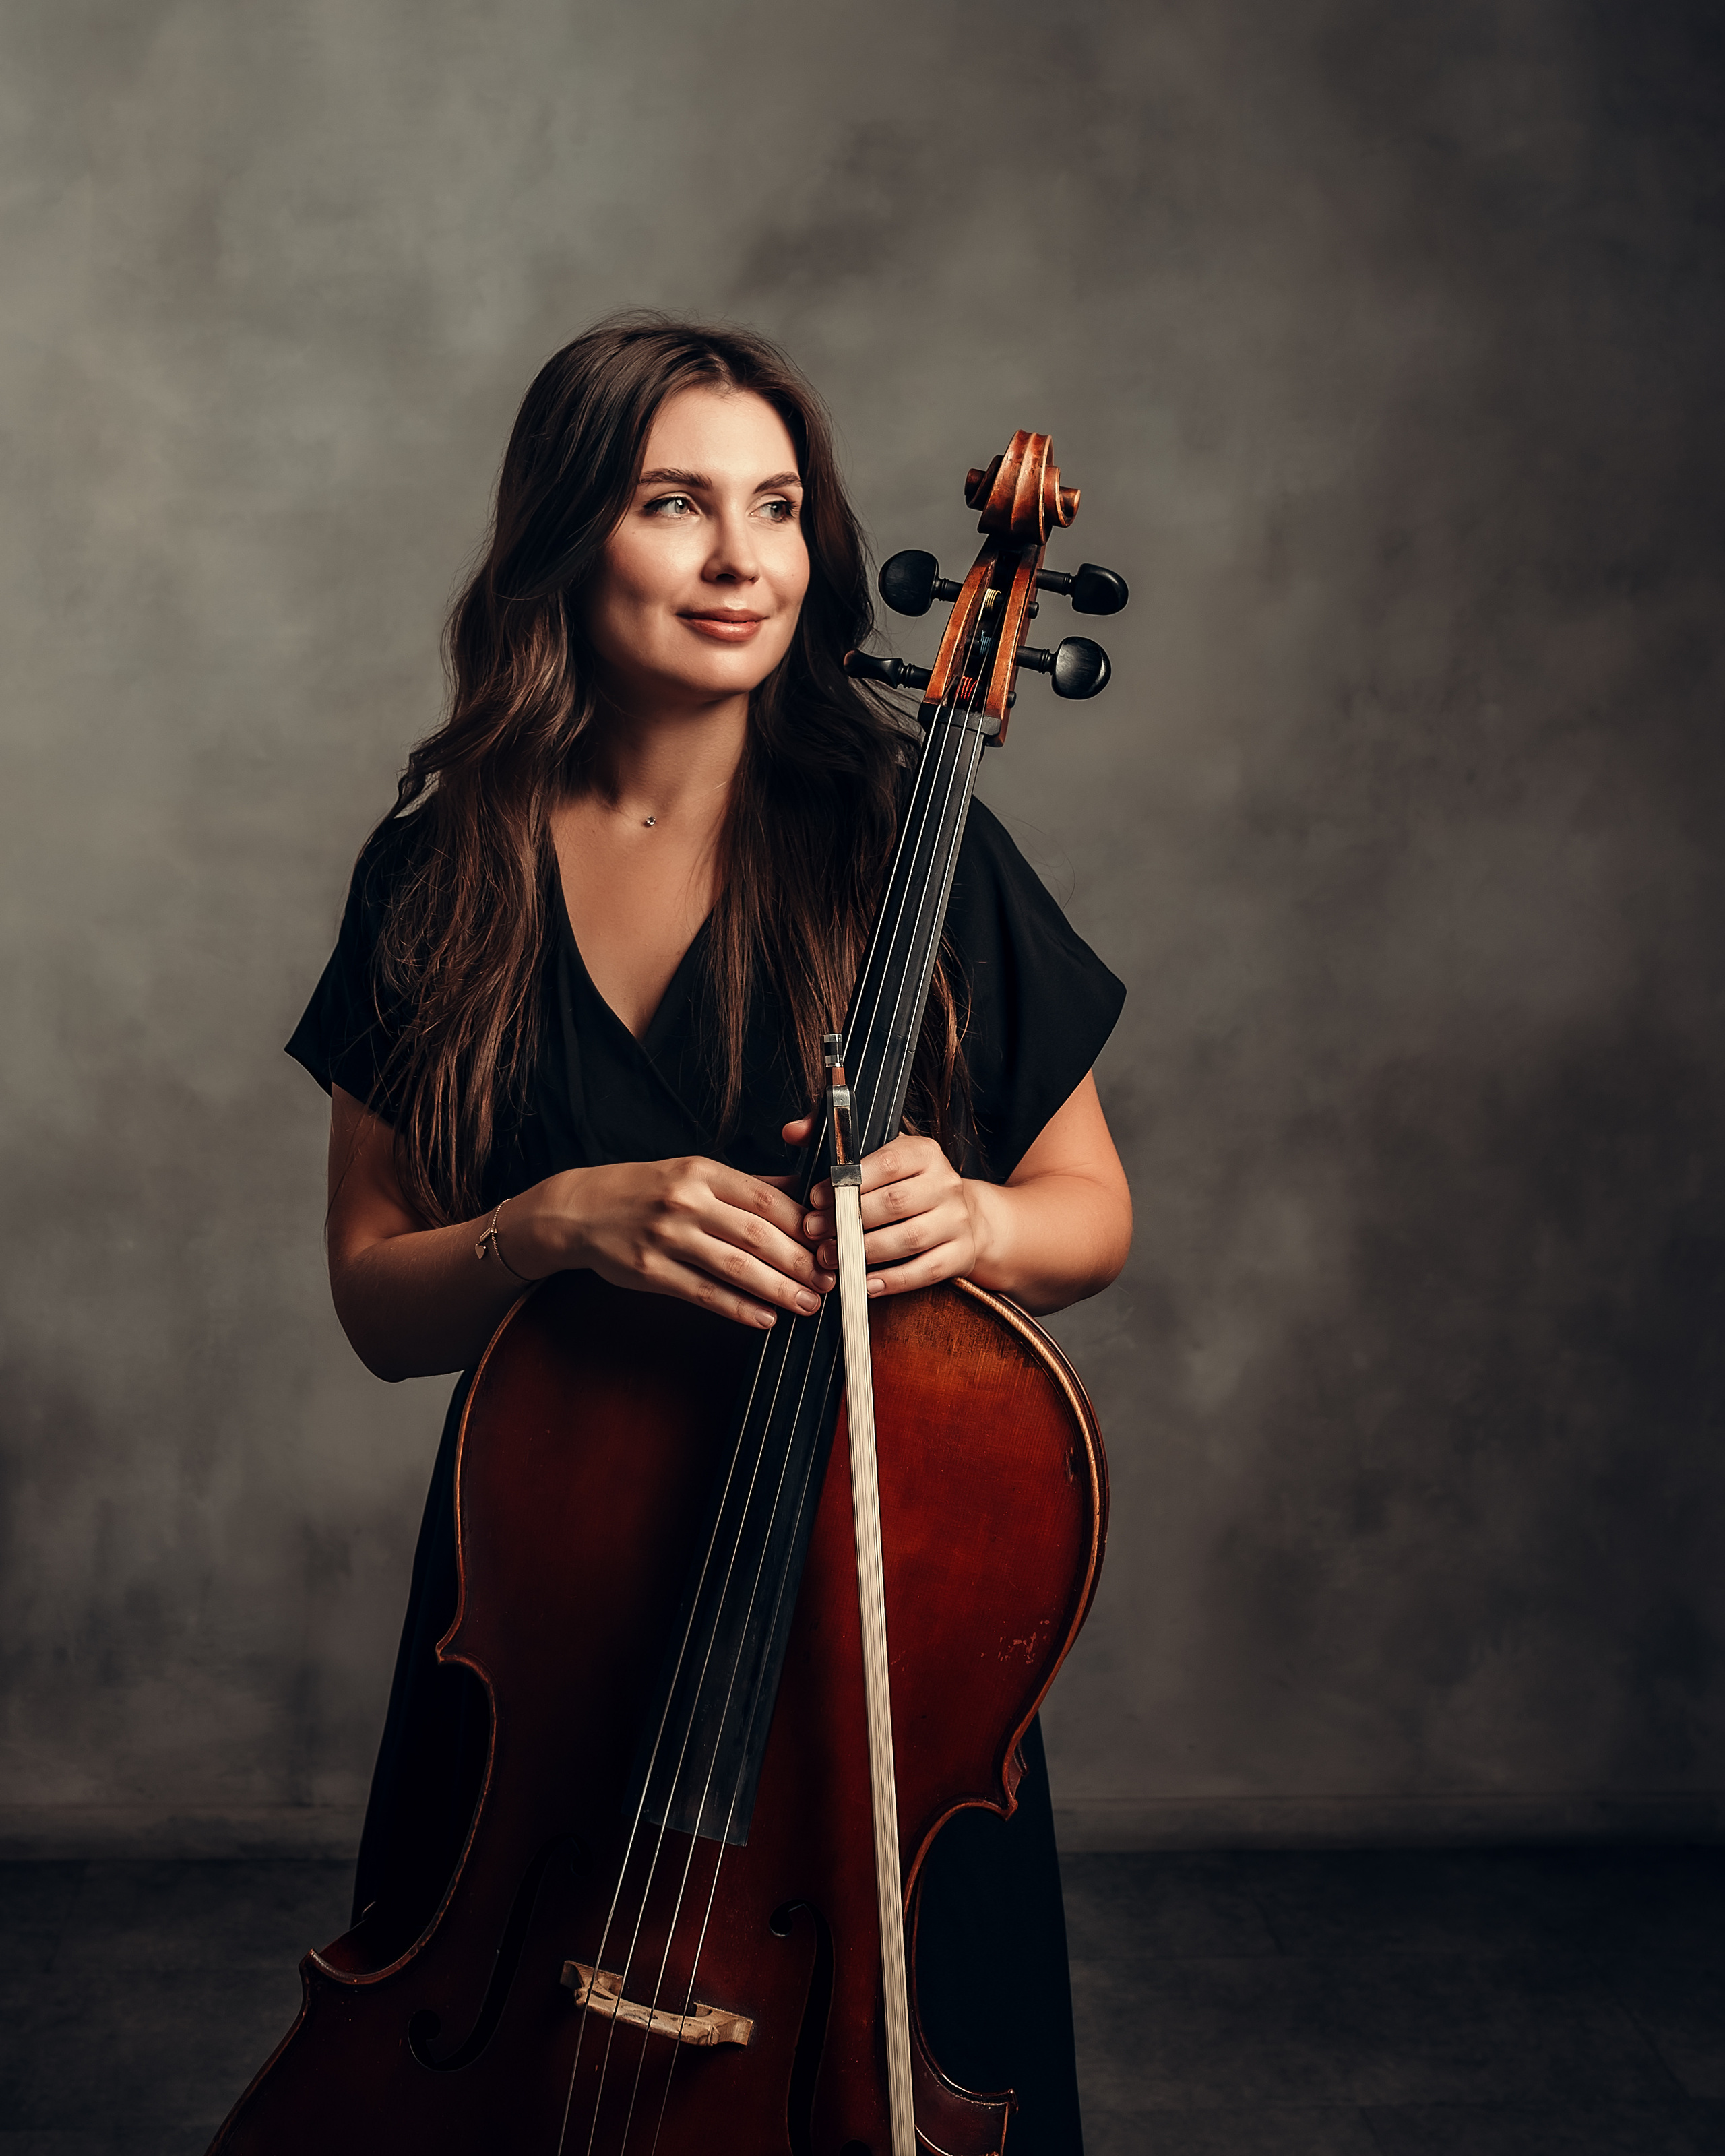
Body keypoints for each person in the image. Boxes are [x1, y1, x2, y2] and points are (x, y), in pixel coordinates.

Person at [286, 313, 1131, 2153]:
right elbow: (375, 1301)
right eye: (676, 503)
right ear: (567, 533)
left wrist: (976, 1216)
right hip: (550, 1634)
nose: (743, 559)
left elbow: (1090, 1217)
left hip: (855, 1650)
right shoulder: (438, 869)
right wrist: (541, 1226)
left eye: (778, 508)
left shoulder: (901, 830)